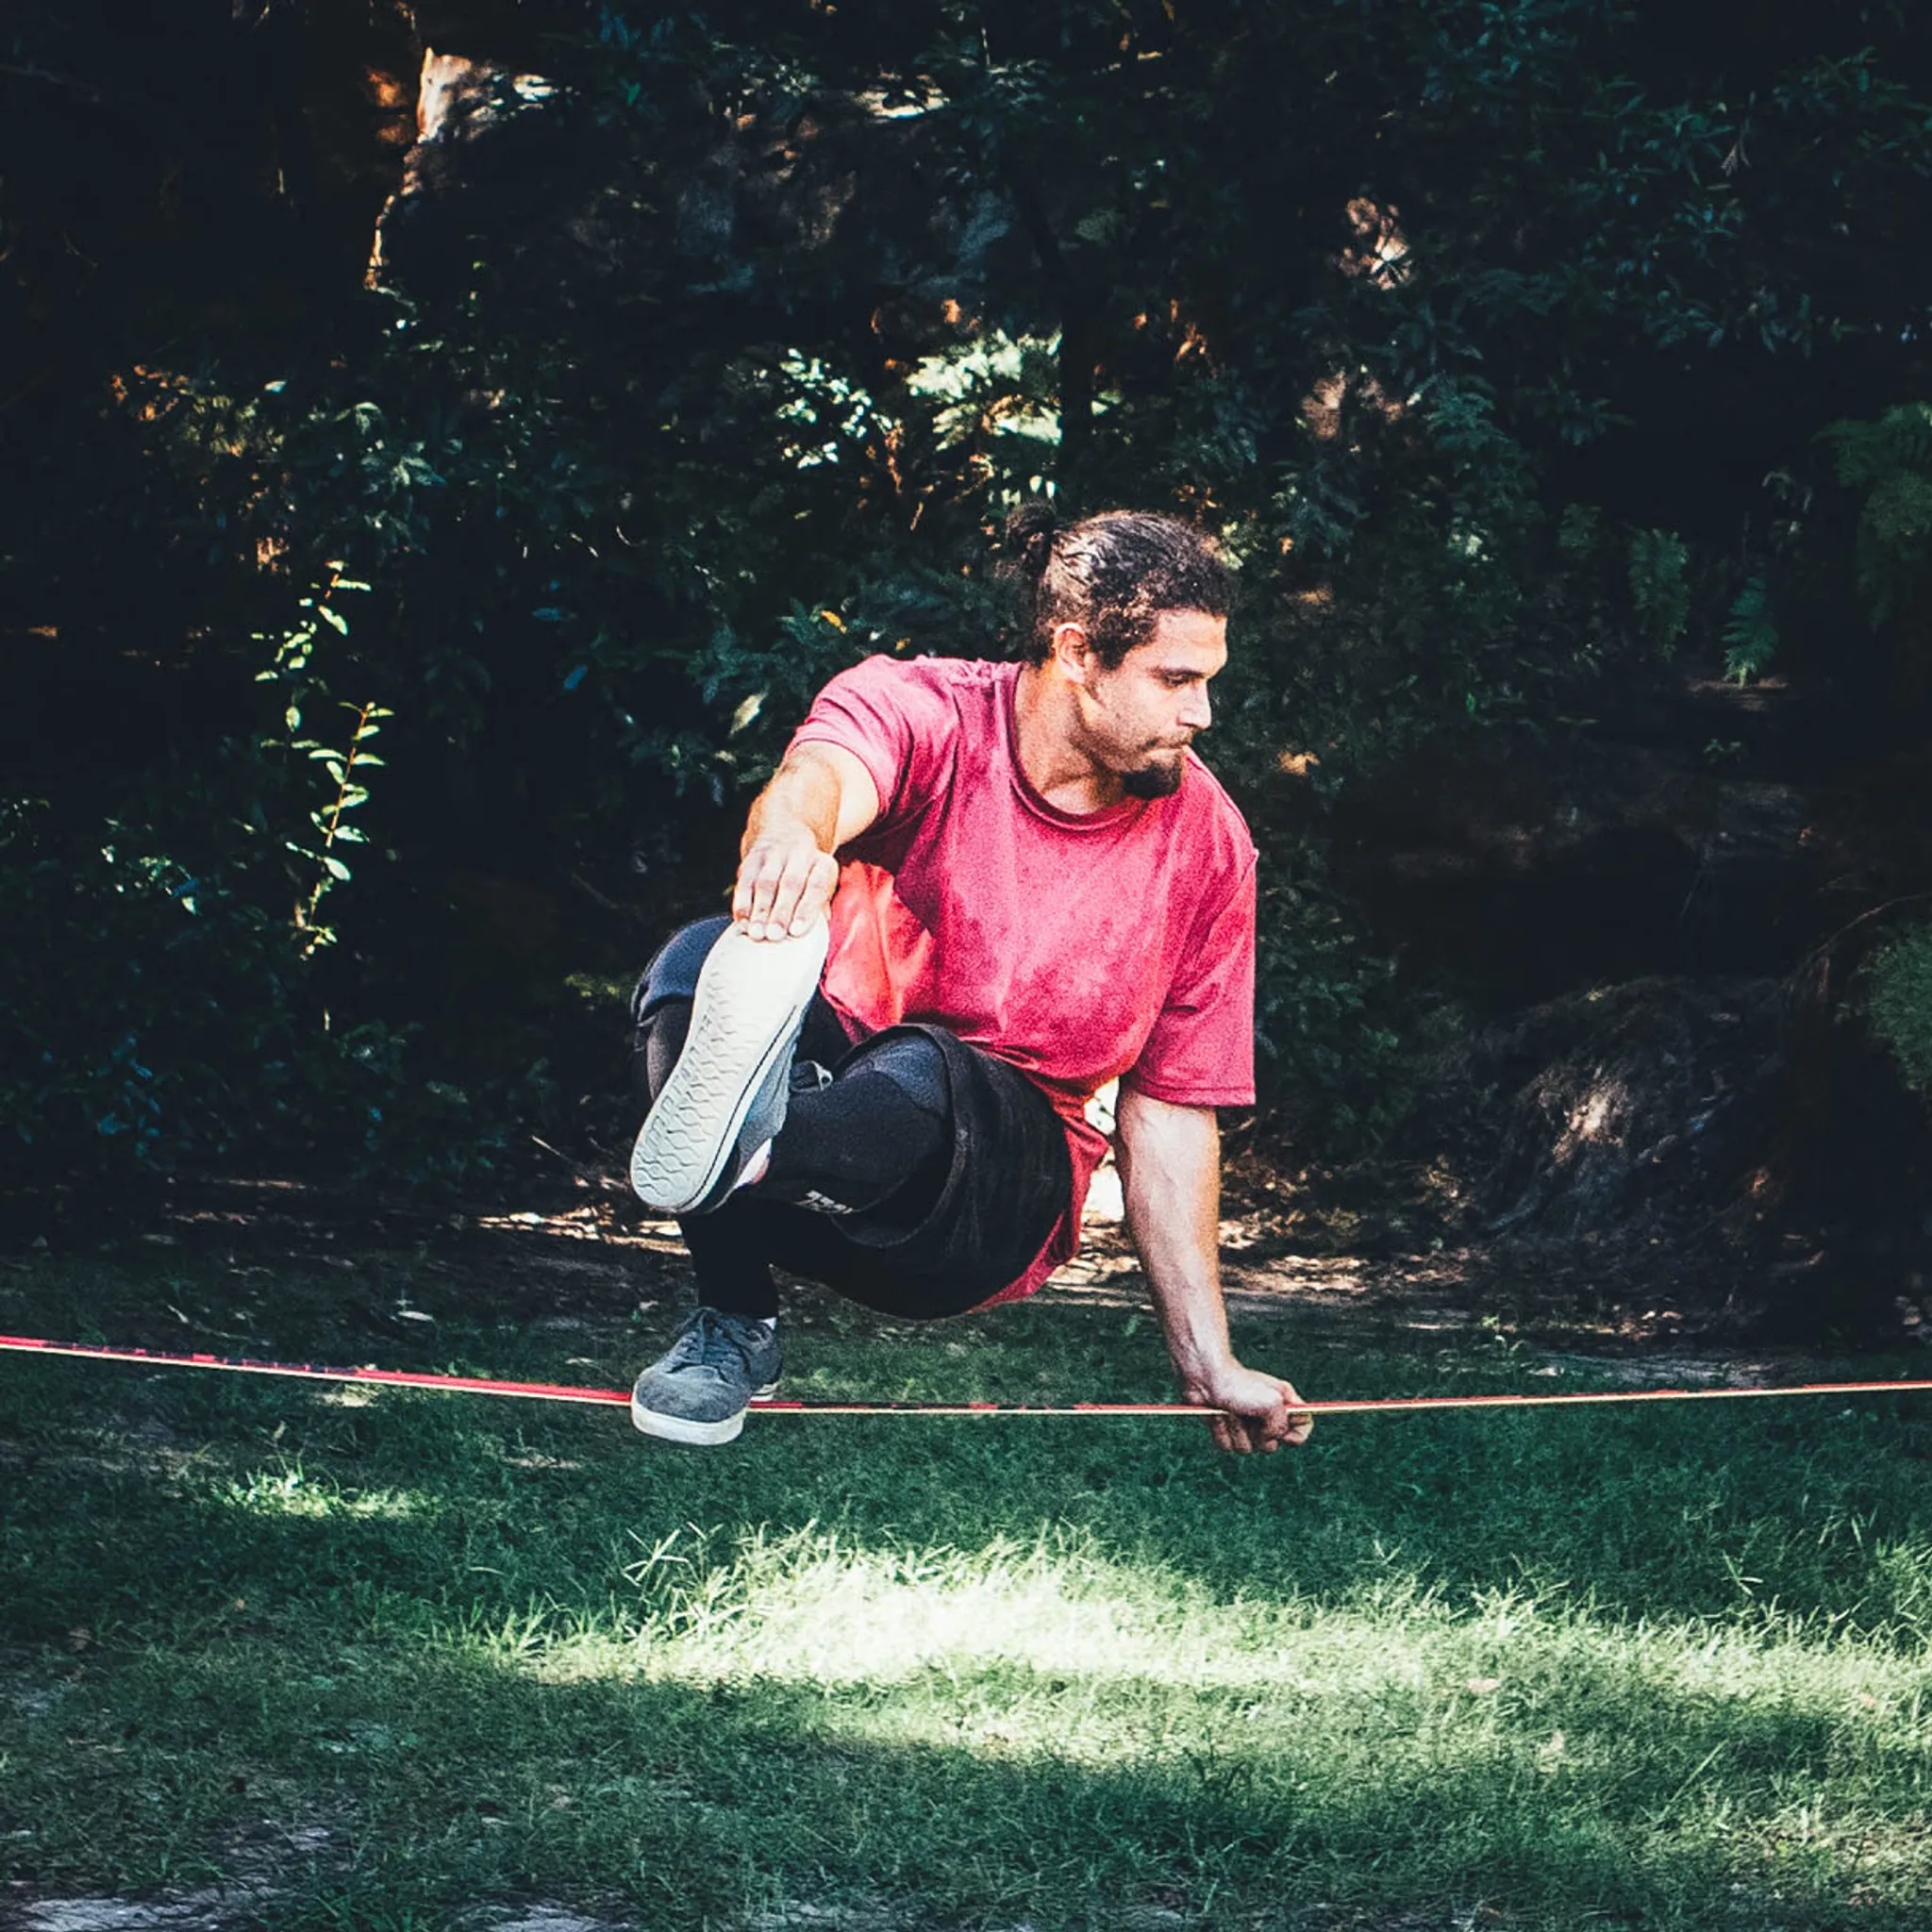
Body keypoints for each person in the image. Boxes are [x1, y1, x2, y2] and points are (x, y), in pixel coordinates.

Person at [625, 505, 1312, 1455]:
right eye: (1173, 679)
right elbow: (822, 776)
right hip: (830, 1149)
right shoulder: (929, 710)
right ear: (1077, 653)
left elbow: (1170, 1108)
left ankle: (748, 1151)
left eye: (1205, 681)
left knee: (925, 1069)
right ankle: (736, 1311)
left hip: (978, 1211)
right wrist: (788, 836)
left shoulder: (1207, 845)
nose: (1199, 714)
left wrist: (1205, 1358)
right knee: (700, 961)